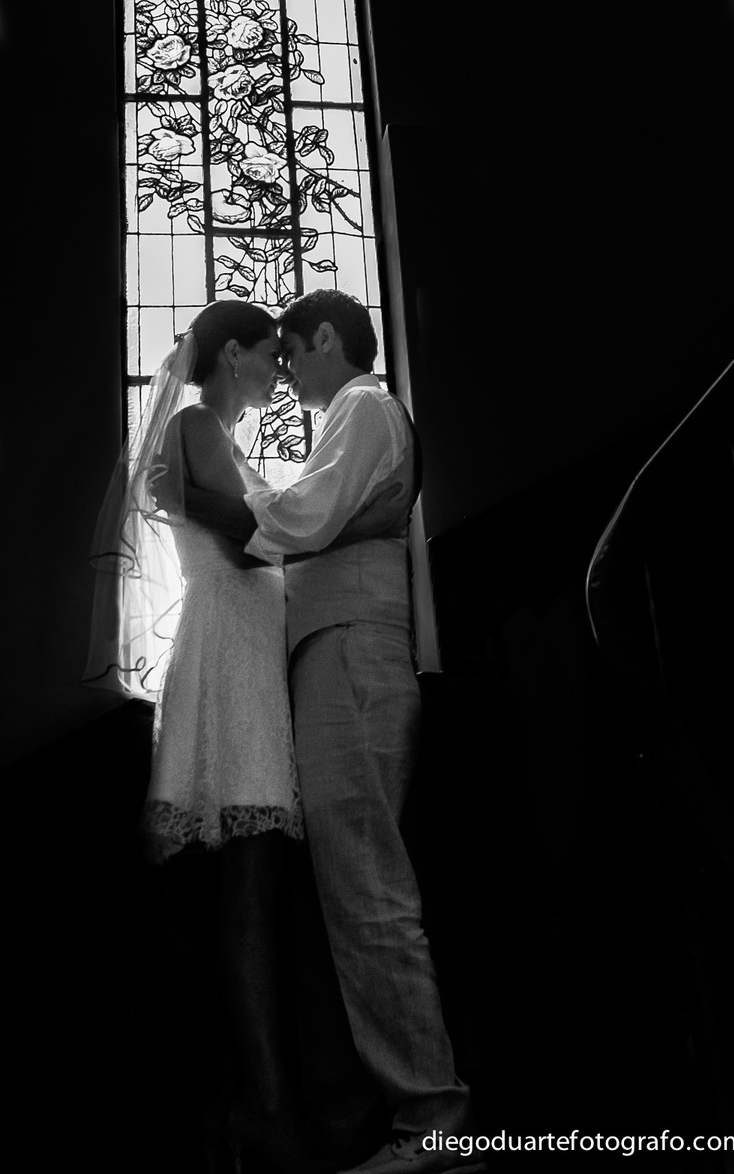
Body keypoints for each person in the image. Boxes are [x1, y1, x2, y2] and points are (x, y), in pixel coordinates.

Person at [182, 290, 482, 1174]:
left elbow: (296, 520)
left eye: (292, 352)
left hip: (351, 657)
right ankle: (417, 1114)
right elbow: (315, 514)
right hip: (336, 657)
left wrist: (195, 500)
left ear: (324, 339)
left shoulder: (361, 406)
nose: (284, 373)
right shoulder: (351, 424)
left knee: (368, 888)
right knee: (355, 890)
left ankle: (437, 1121)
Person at [92, 300, 392, 1174]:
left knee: (257, 891)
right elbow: (253, 545)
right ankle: (264, 1109)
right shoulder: (195, 425)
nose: (280, 370)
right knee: (251, 892)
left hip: (251, 655)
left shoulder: (217, 439)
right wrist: (356, 523)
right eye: (271, 354)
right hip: (229, 655)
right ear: (233, 353)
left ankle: (256, 1103)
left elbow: (257, 527)